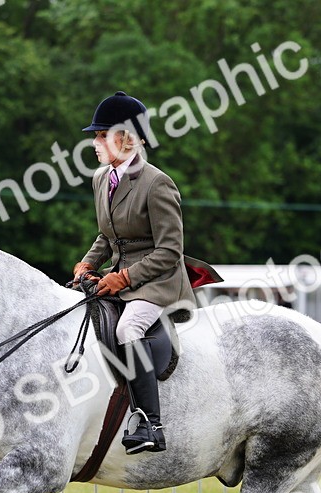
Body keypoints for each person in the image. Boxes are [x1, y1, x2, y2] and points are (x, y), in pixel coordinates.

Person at [73, 91, 196, 455]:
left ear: (123, 138)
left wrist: (124, 278)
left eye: (100, 136)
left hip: (157, 283)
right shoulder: (101, 178)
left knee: (128, 328)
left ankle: (151, 423)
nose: (94, 143)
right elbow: (107, 234)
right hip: (118, 275)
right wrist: (88, 263)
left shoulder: (157, 183)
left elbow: (170, 251)